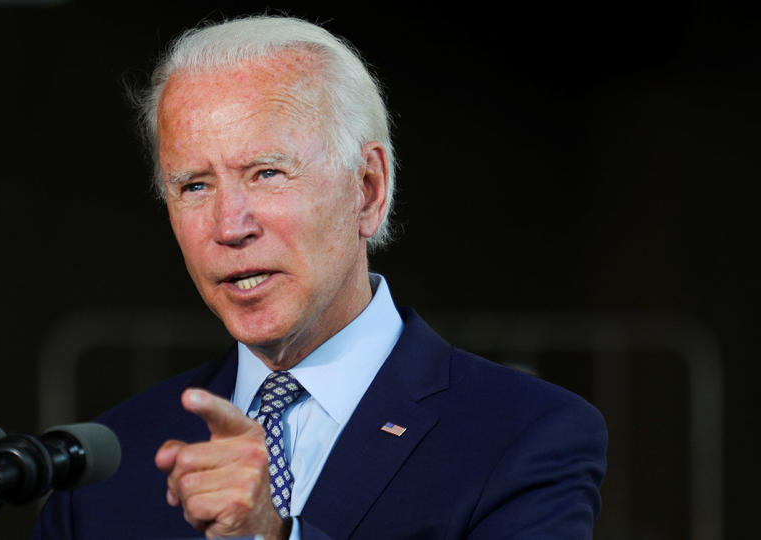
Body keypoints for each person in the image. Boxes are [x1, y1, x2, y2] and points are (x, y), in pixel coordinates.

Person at [32, 15, 606, 540]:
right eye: (194, 186)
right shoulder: (107, 466)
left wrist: (274, 536)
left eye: (267, 173)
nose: (230, 227)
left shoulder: (523, 434)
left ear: (368, 189)